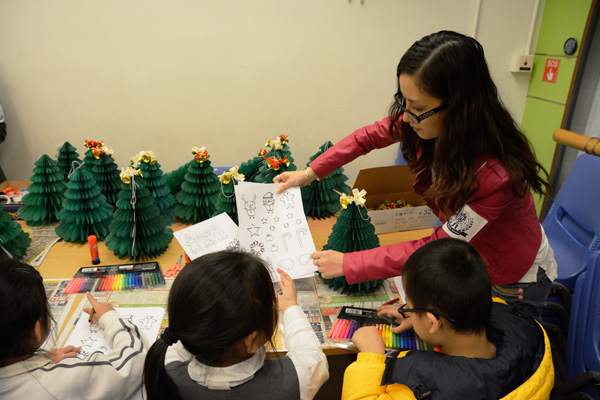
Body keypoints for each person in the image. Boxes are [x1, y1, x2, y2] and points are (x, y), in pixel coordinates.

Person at [274, 30, 556, 319]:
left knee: (493, 339)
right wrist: (309, 173)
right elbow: (366, 138)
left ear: (460, 107)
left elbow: (439, 246)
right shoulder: (423, 121)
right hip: (466, 259)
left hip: (510, 277)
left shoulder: (496, 177)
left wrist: (351, 264)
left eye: (418, 107)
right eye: (403, 101)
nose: (406, 117)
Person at [342, 238, 554, 400]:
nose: (407, 310)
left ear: (433, 322)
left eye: (410, 307)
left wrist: (371, 356)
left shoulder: (417, 389)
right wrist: (420, 316)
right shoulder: (529, 340)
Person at [142, 250, 329, 400]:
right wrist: (290, 306)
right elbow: (311, 355)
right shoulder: (298, 377)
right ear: (251, 341)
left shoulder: (165, 373)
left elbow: (189, 327)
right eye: (271, 302)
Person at [0, 258, 149, 400]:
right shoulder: (59, 382)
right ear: (36, 331)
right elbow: (138, 359)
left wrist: (40, 359)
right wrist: (109, 317)